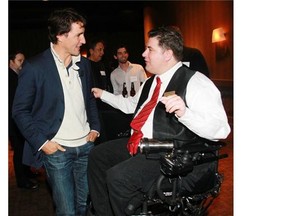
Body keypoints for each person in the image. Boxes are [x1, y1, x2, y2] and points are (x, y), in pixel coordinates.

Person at [87, 26, 231, 216]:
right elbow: (131, 105)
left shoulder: (197, 82)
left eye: (150, 49)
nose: (144, 53)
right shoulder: (150, 82)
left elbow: (221, 130)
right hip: (142, 144)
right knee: (98, 156)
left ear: (167, 54)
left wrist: (185, 113)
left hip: (171, 153)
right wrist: (103, 94)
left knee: (118, 178)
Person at [12, 8, 101, 216]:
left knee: (84, 206)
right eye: (78, 34)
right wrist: (43, 143)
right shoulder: (34, 67)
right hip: (57, 150)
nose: (84, 40)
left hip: (86, 147)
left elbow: (89, 98)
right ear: (60, 35)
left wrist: (95, 127)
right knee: (67, 211)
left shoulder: (85, 65)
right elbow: (19, 110)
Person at [9, 50, 39, 190]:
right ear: (11, 62)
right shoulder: (10, 78)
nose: (22, 64)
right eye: (19, 61)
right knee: (19, 150)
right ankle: (22, 180)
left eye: (23, 61)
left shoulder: (18, 76)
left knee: (24, 147)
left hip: (20, 120)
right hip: (13, 121)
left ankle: (27, 173)